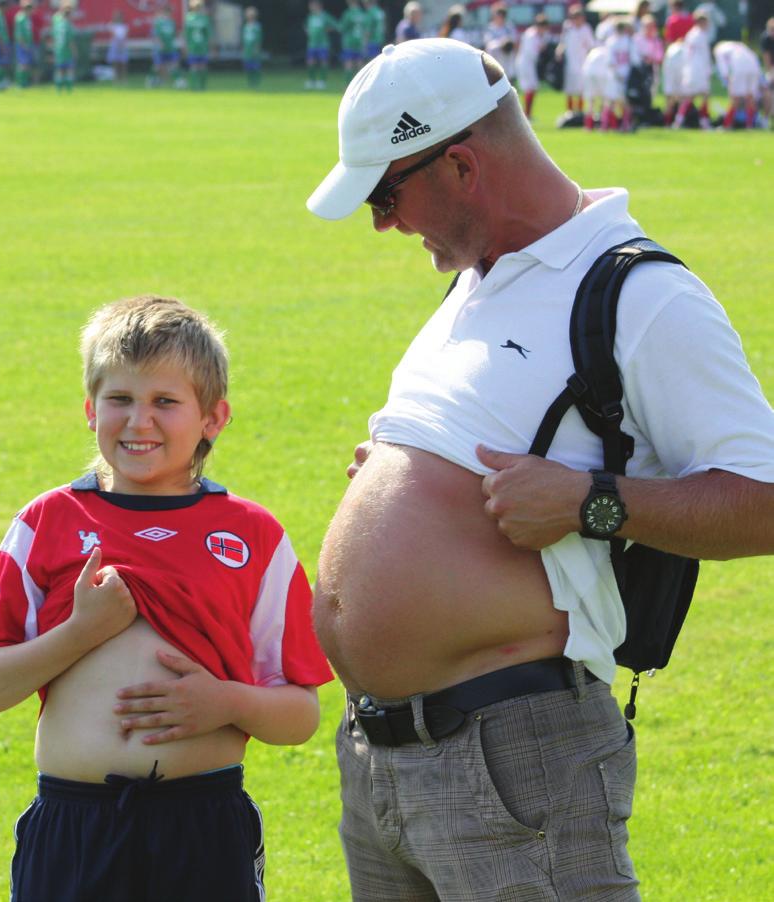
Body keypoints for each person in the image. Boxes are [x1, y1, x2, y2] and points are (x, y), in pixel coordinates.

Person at [305, 37, 774, 900]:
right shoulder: (477, 279)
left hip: (513, 758)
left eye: (385, 193)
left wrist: (589, 504)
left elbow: (764, 500)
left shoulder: (643, 295)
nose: (382, 222)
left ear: (460, 166)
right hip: (381, 757)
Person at [0, 295, 332, 902]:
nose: (139, 422)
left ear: (213, 417)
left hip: (201, 823)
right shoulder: (48, 520)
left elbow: (301, 715)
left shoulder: (251, 535)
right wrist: (79, 633)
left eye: (165, 402)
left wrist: (225, 701)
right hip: (75, 826)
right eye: (120, 400)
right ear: (89, 408)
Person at [674, 12, 712, 128]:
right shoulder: (699, 35)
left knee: (692, 97)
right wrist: (708, 69)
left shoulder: (691, 34)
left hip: (692, 69)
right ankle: (703, 121)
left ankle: (679, 121)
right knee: (700, 96)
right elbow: (704, 56)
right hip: (698, 70)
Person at [713, 40, 764, 128]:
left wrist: (728, 82)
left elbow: (723, 69)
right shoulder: (740, 45)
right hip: (754, 66)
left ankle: (726, 125)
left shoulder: (718, 50)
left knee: (735, 98)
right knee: (750, 97)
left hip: (740, 67)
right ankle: (750, 126)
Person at [556, 4, 595, 114]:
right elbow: (562, 42)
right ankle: (570, 111)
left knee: (581, 89)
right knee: (569, 89)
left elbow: (591, 46)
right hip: (570, 63)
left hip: (582, 63)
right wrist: (559, 52)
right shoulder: (568, 27)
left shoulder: (586, 29)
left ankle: (580, 111)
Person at [515, 13, 549, 119]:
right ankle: (526, 114)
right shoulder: (531, 35)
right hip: (525, 63)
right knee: (529, 88)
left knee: (532, 87)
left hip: (529, 64)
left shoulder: (539, 35)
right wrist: (540, 48)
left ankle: (527, 113)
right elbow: (531, 53)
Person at [305, 1, 338, 90]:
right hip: (312, 44)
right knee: (310, 62)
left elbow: (335, 25)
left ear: (318, 6)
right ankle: (311, 81)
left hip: (323, 44)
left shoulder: (325, 16)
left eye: (312, 6)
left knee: (323, 62)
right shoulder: (310, 17)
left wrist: (327, 29)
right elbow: (307, 27)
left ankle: (322, 81)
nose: (311, 8)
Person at [148, 1, 179, 88]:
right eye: (166, 11)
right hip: (160, 48)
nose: (168, 13)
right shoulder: (158, 22)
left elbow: (173, 34)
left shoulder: (171, 22)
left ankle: (171, 81)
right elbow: (155, 35)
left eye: (169, 11)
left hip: (170, 47)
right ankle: (151, 79)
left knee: (173, 65)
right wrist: (159, 43)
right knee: (158, 66)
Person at [184, 0, 212, 91]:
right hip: (193, 47)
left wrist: (211, 46)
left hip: (202, 47)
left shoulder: (204, 18)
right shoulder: (189, 18)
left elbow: (208, 35)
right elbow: (186, 35)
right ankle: (194, 86)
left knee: (202, 67)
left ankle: (202, 86)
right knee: (194, 67)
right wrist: (185, 46)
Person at [50, 1, 75, 93]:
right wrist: (74, 51)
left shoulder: (56, 21)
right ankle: (69, 89)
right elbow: (70, 41)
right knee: (69, 70)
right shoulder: (68, 25)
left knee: (59, 70)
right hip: (66, 51)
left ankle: (58, 89)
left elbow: (53, 35)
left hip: (58, 49)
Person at [340, 0, 367, 81]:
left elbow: (342, 28)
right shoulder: (362, 14)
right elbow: (366, 29)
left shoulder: (348, 14)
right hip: (360, 42)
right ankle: (362, 83)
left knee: (348, 64)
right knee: (360, 64)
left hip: (349, 42)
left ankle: (348, 84)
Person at [13, 0, 35, 88]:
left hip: (28, 44)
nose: (30, 11)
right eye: (28, 8)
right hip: (22, 45)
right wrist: (23, 44)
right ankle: (20, 83)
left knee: (26, 64)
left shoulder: (27, 18)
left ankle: (25, 82)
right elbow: (19, 34)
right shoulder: (20, 18)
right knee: (22, 64)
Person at [242, 6, 263, 88]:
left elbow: (259, 38)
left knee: (256, 67)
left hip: (254, 50)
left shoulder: (257, 26)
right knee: (248, 68)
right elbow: (243, 39)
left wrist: (256, 48)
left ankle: (256, 83)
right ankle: (250, 83)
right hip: (247, 50)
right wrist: (243, 48)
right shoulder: (246, 26)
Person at [107, 9, 129, 84]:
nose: (118, 17)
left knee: (123, 62)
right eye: (116, 16)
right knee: (115, 62)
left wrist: (122, 44)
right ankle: (115, 78)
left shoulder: (124, 26)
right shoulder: (111, 25)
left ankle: (123, 78)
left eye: (119, 16)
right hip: (115, 45)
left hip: (123, 45)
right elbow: (113, 35)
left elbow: (125, 36)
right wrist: (118, 42)